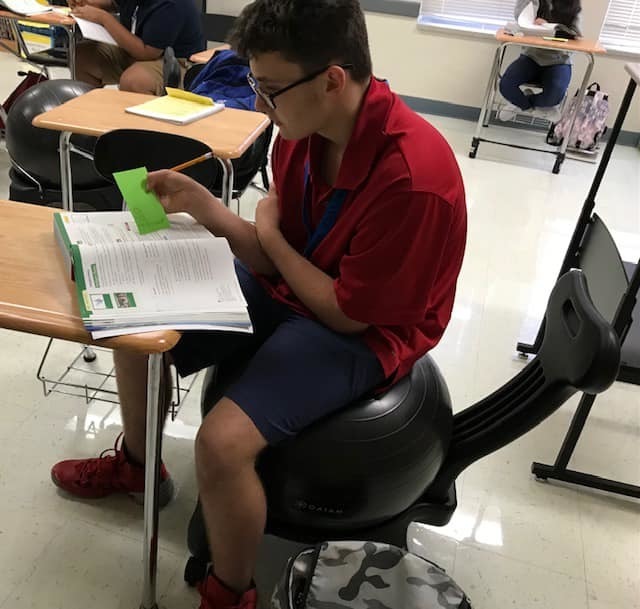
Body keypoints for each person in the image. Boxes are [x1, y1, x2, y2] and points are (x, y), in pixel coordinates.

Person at [50, 1, 467, 607]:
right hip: (301, 291)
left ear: (332, 80)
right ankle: (138, 466)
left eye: (270, 89)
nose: (261, 104)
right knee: (133, 330)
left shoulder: (412, 179)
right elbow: (275, 263)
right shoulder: (301, 136)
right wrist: (204, 206)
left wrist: (268, 232)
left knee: (221, 445)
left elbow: (346, 313)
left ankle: (231, 591)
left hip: (366, 331)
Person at [67, 0, 205, 95]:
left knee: (135, 81)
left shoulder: (171, 5)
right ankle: (90, 116)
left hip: (176, 62)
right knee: (82, 57)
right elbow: (115, 3)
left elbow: (147, 52)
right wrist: (90, 4)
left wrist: (104, 18)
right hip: (136, 49)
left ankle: (140, 128)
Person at [499, 0, 582, 122]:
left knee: (555, 96)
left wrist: (548, 26)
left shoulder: (571, 4)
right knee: (506, 85)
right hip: (531, 56)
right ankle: (528, 107)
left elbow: (576, 33)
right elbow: (520, 18)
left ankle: (521, 103)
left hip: (559, 59)